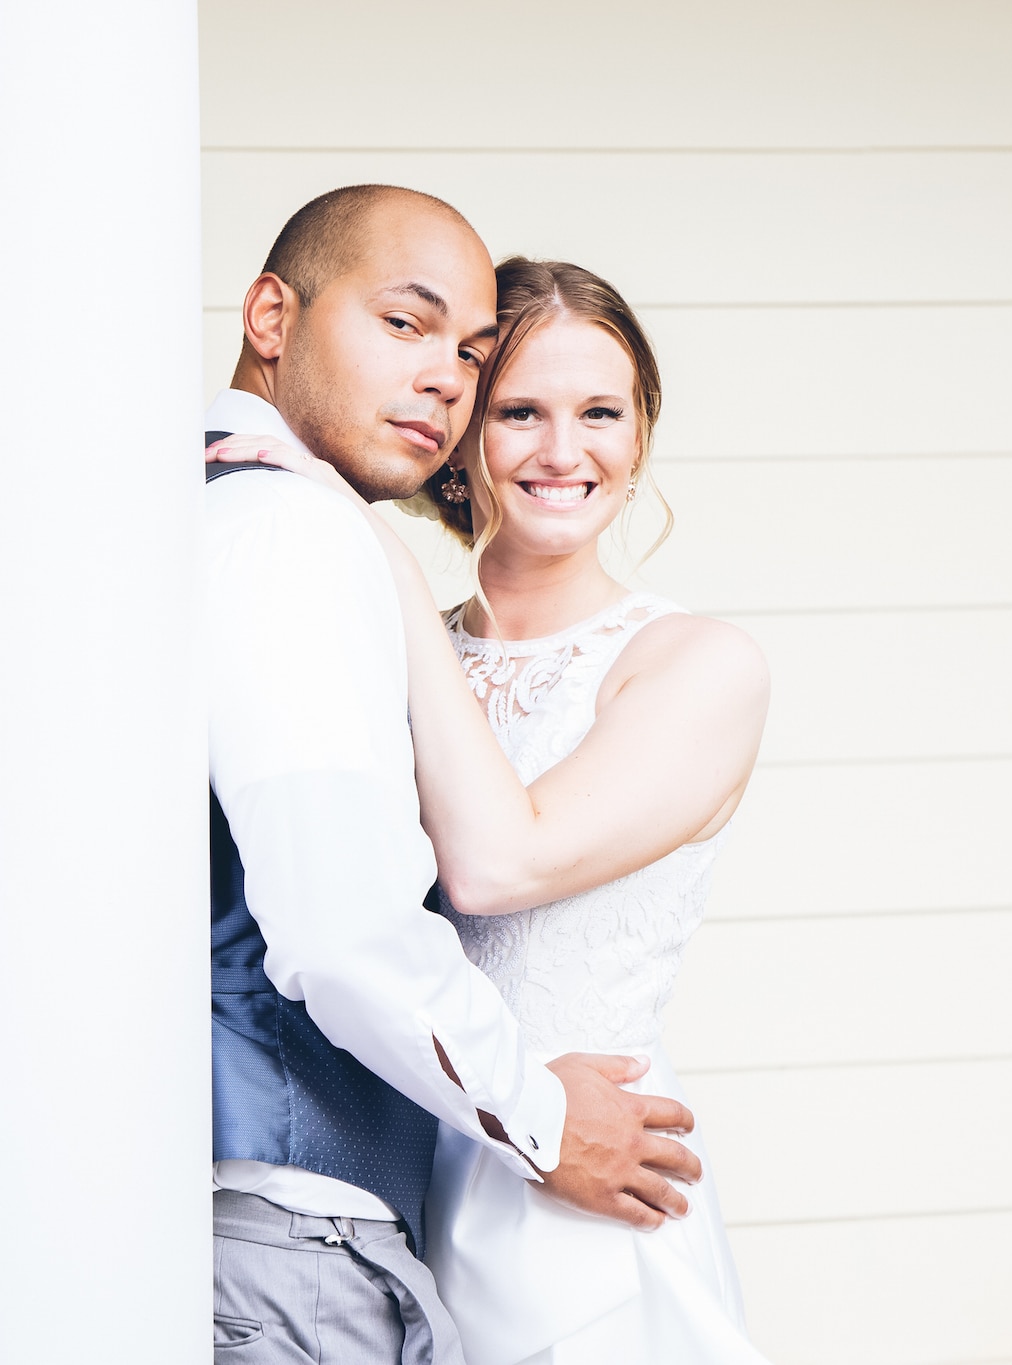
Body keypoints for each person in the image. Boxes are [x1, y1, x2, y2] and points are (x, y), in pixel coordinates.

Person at [210, 256, 773, 1364]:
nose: (564, 453)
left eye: (600, 412)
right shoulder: (367, 632)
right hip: (402, 1153)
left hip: (582, 1176)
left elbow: (497, 866)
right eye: (519, 410)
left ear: (641, 430)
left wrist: (370, 545)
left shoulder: (699, 665)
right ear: (464, 428)